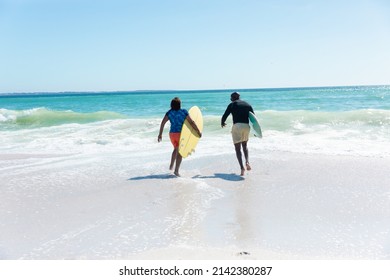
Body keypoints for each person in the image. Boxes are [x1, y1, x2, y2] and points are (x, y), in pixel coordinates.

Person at [158, 97, 202, 177]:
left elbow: (163, 123)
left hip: (172, 134)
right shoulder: (184, 112)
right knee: (180, 152)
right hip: (180, 134)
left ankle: (171, 166)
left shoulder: (169, 113)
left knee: (175, 148)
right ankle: (176, 171)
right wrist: (198, 131)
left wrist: (160, 134)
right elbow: (191, 122)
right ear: (179, 104)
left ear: (171, 105)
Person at [221, 92, 254, 176]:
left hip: (237, 126)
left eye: (231, 98)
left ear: (233, 98)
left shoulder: (232, 105)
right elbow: (254, 118)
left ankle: (242, 168)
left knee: (237, 148)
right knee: (245, 146)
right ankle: (247, 162)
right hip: (246, 126)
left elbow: (225, 115)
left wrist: (222, 122)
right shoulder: (247, 104)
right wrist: (255, 131)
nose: (230, 99)